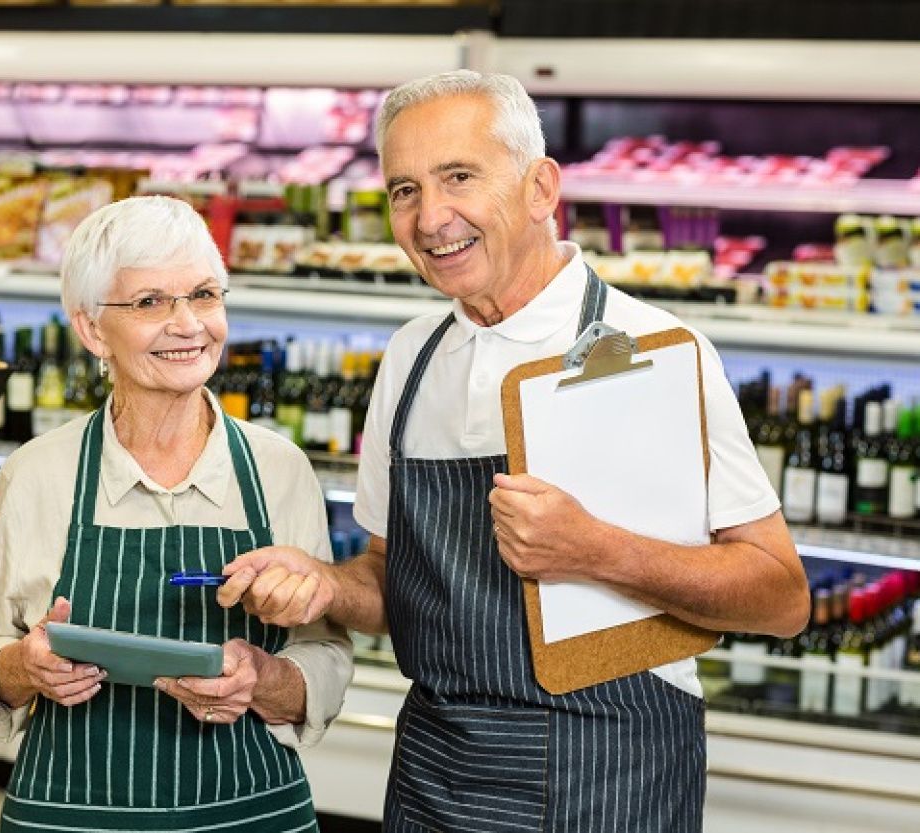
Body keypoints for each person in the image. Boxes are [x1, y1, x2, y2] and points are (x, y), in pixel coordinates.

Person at [219, 70, 810, 832]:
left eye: (458, 177)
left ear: (540, 188)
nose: (432, 217)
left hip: (611, 766)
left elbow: (782, 597)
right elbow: (390, 582)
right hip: (438, 766)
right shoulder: (411, 358)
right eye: (404, 190)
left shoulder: (655, 354)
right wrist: (326, 586)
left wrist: (598, 550)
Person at [0, 195, 353, 833]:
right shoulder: (38, 473)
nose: (188, 324)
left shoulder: (278, 470)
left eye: (203, 294)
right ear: (91, 329)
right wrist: (23, 667)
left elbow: (327, 656)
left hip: (247, 812)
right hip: (72, 813)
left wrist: (262, 678)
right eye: (149, 303)